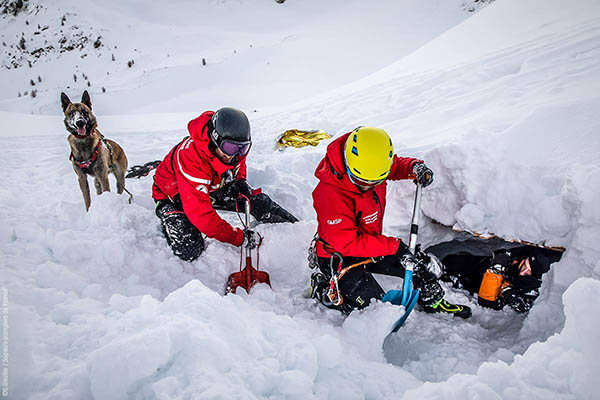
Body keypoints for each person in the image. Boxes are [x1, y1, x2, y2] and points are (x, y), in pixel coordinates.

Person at [308, 126, 471, 318]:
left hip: (370, 245)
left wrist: (413, 167)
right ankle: (323, 288)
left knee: (416, 264)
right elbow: (347, 242)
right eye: (360, 181)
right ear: (347, 162)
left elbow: (396, 166)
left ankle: (433, 301)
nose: (368, 186)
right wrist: (393, 247)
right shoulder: (329, 194)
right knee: (373, 308)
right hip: (339, 256)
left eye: (376, 181)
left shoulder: (373, 164)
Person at [152, 107, 298, 261]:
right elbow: (202, 216)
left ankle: (298, 231)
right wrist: (238, 237)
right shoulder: (191, 158)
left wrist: (240, 180)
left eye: (243, 148)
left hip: (213, 187)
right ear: (215, 138)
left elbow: (239, 162)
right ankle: (168, 215)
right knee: (189, 249)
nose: (235, 154)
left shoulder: (232, 151)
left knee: (260, 203)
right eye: (230, 147)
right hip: (176, 196)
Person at [429, 241, 563, 313]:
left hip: (481, 284)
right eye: (524, 266)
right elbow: (504, 254)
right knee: (454, 261)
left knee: (457, 275)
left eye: (528, 272)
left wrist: (498, 273)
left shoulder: (531, 286)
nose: (523, 272)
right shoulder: (524, 255)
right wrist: (502, 260)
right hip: (479, 266)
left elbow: (487, 301)